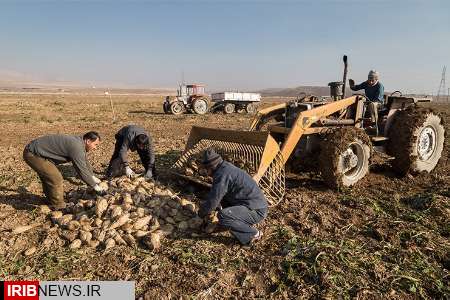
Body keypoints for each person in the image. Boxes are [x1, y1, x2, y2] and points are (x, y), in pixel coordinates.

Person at [198, 149, 268, 246]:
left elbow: (213, 200)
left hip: (257, 210)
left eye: (207, 169)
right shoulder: (225, 167)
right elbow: (218, 195)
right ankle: (240, 222)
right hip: (251, 205)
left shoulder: (222, 175)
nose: (206, 172)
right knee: (224, 206)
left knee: (223, 216)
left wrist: (201, 213)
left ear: (211, 167)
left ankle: (254, 234)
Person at [23, 131, 107, 210]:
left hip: (41, 154)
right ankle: (59, 206)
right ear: (88, 141)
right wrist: (96, 188)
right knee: (55, 177)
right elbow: (82, 172)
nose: (95, 148)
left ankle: (50, 200)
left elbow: (85, 162)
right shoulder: (76, 147)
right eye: (95, 144)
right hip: (33, 154)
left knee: (49, 176)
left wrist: (94, 178)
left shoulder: (80, 144)